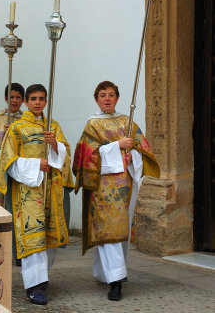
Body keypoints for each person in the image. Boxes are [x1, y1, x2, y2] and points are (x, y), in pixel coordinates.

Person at [72, 81, 160, 301]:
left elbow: (143, 149)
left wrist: (133, 157)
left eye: (111, 95)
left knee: (120, 234)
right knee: (108, 233)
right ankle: (116, 281)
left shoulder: (127, 122)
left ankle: (106, 273)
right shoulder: (92, 125)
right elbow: (84, 156)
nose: (107, 99)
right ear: (96, 99)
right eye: (103, 95)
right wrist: (116, 146)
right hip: (101, 188)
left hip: (125, 187)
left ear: (118, 98)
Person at [0, 84, 74, 305]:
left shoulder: (53, 126)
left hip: (51, 190)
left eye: (42, 98)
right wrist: (35, 163)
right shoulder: (17, 128)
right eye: (33, 99)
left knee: (49, 237)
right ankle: (33, 285)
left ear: (46, 101)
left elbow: (66, 155)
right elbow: (7, 162)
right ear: (27, 102)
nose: (38, 102)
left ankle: (42, 277)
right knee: (33, 236)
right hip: (28, 191)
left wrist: (55, 145)